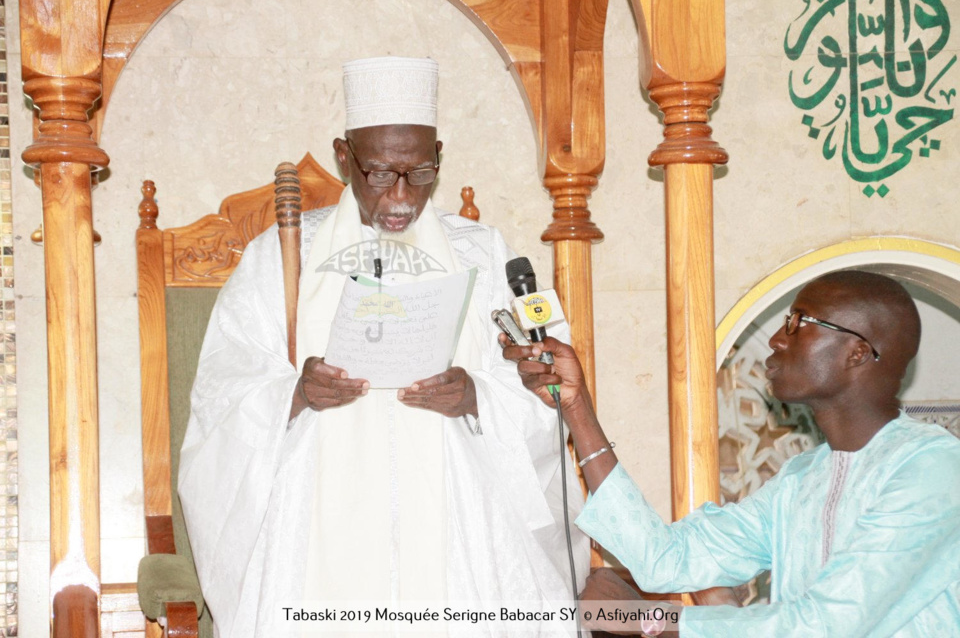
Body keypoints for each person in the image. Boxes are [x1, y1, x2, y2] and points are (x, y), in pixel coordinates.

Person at [179, 56, 589, 637]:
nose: (400, 196)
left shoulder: (483, 251)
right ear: (344, 158)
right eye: (379, 174)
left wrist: (476, 395)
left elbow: (548, 381)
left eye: (419, 174)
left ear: (439, 159)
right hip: (314, 522)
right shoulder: (282, 256)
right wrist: (294, 394)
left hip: (461, 518)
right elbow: (225, 388)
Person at [503, 270, 960, 636]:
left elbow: (828, 624)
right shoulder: (802, 478)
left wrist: (649, 620)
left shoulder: (933, 469)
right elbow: (664, 559)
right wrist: (577, 406)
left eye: (799, 323)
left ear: (858, 353)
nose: (778, 339)